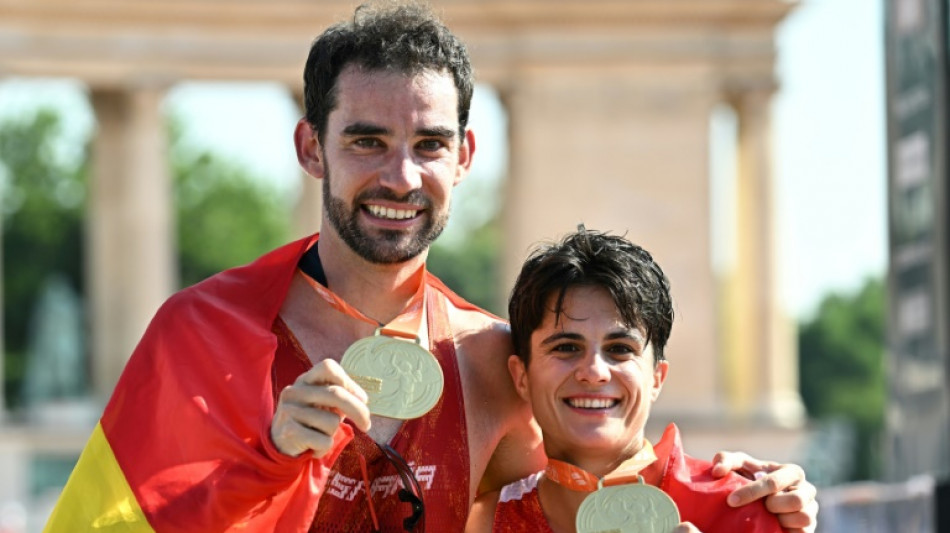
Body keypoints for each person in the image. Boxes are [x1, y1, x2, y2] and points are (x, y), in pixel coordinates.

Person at [44, 2, 817, 532]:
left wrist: (739, 491)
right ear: (312, 148)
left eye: (430, 145)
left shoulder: (493, 360)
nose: (402, 178)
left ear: (465, 155)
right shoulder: (200, 334)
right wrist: (268, 463)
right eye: (367, 141)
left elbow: (595, 481)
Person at [467, 228, 790, 533]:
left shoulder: (742, 509)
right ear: (521, 376)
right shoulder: (482, 522)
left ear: (656, 379)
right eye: (566, 348)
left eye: (620, 349)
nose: (594, 371)